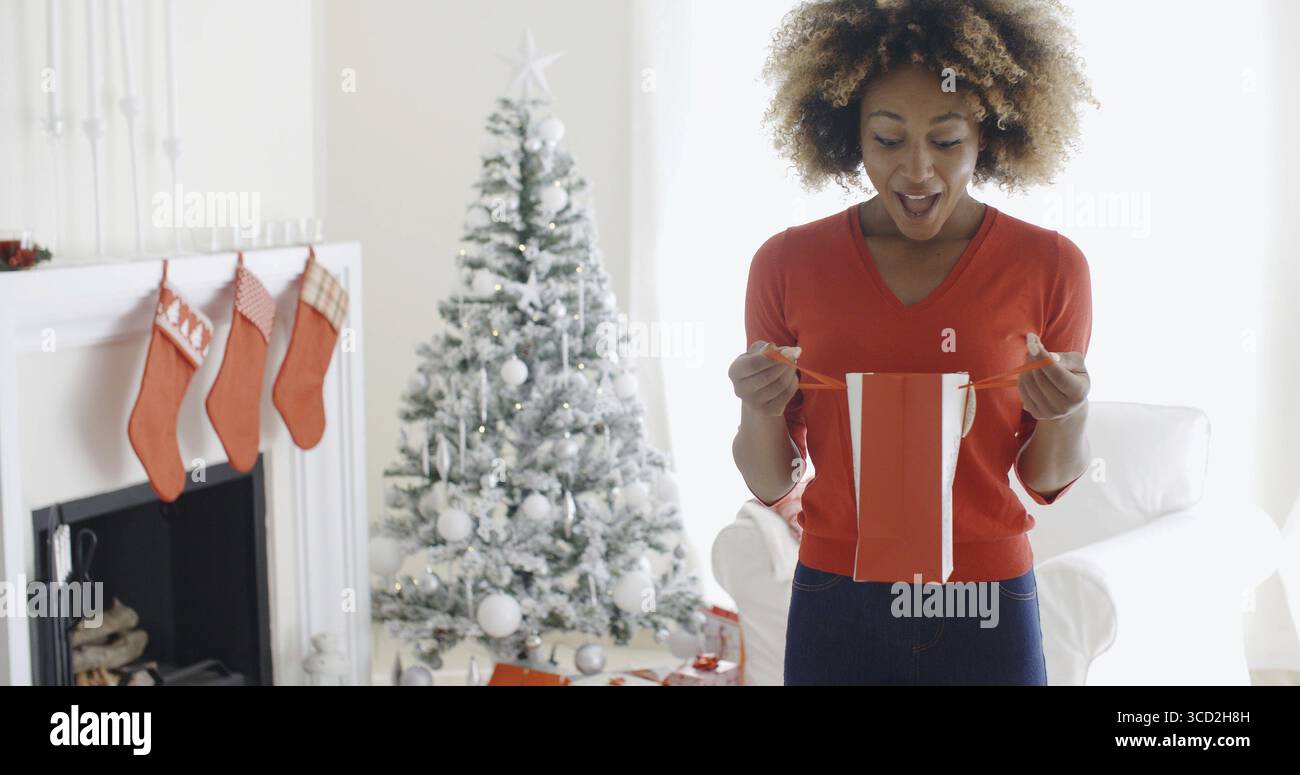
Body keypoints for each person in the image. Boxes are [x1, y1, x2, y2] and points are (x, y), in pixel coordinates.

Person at [728, 0, 1097, 685]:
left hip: (986, 597)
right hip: (838, 595)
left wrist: (1067, 410)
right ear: (850, 134)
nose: (918, 170)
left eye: (947, 140)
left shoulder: (1050, 267)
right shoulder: (786, 264)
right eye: (889, 140)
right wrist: (758, 408)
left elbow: (1044, 479)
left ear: (988, 135)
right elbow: (771, 478)